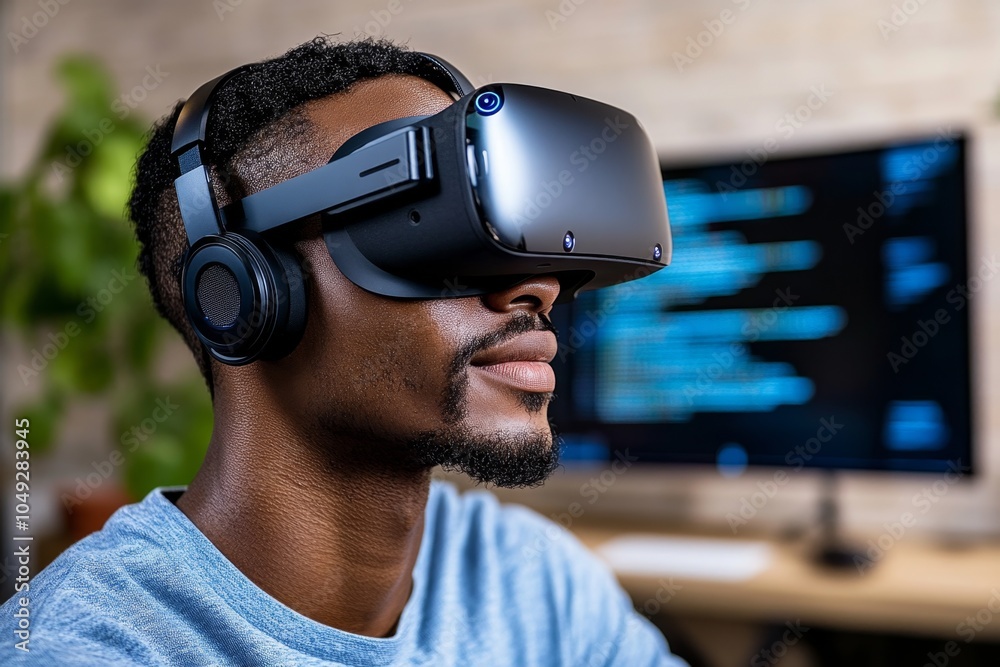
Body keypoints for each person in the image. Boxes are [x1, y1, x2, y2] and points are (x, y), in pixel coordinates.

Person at [0, 38, 687, 666]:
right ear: (241, 295)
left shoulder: (529, 579)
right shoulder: (88, 647)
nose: (537, 287)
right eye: (429, 224)